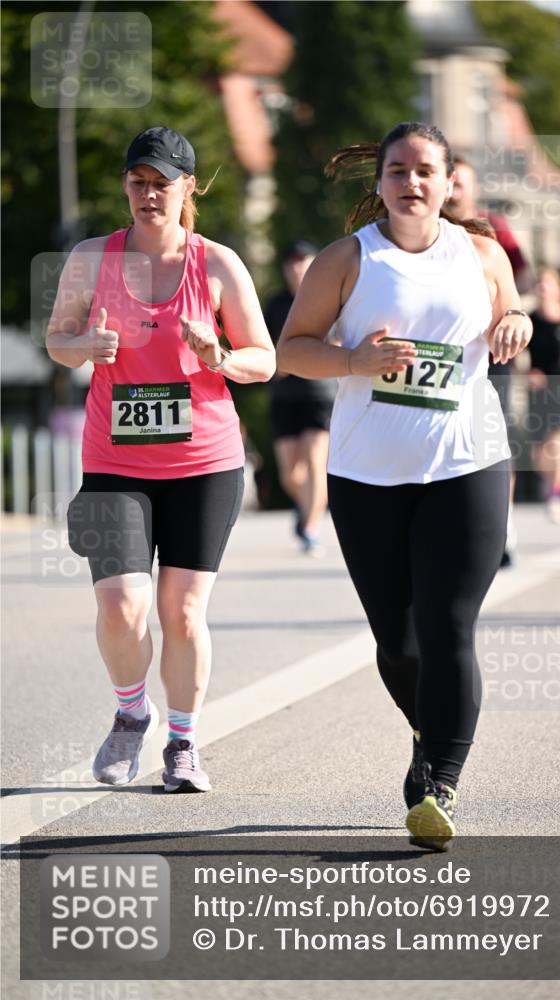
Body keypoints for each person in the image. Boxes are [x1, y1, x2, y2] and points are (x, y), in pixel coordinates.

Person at [277, 121, 531, 849]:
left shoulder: (480, 253)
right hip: (367, 475)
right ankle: (427, 732)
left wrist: (514, 322)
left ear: (450, 181)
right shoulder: (346, 261)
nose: (411, 183)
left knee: (450, 628)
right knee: (399, 640)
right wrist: (355, 363)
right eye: (397, 171)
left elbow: (509, 313)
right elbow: (294, 351)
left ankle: (440, 783)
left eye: (426, 170)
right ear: (379, 182)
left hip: (466, 463)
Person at [46, 126, 275, 792]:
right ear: (125, 185)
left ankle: (182, 744)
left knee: (180, 613)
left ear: (188, 188)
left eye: (162, 183)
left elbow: (265, 358)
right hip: (113, 463)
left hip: (204, 462)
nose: (148, 194)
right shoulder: (92, 258)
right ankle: (128, 715)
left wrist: (220, 358)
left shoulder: (219, 264)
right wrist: (87, 342)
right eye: (137, 181)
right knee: (120, 605)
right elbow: (57, 341)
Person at [449, 156, 533, 566]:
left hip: (492, 353)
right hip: (442, 359)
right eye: (447, 183)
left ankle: (502, 526)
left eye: (459, 184)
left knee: (491, 440)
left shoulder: (493, 232)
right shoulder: (411, 235)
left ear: (473, 189)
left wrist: (511, 318)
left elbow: (522, 284)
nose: (451, 192)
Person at [264, 240, 335, 555]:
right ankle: (308, 504)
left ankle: (310, 529)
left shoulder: (329, 298)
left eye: (303, 260)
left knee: (315, 461)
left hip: (320, 392)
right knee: (289, 474)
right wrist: (271, 362)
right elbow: (260, 342)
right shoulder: (275, 303)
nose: (296, 267)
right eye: (291, 261)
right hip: (283, 396)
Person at [527, 268, 560, 523]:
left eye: (547, 284)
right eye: (539, 284)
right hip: (539, 390)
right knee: (540, 451)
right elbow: (517, 354)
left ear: (559, 289)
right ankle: (550, 484)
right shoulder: (530, 320)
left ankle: (556, 496)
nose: (543, 289)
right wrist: (527, 371)